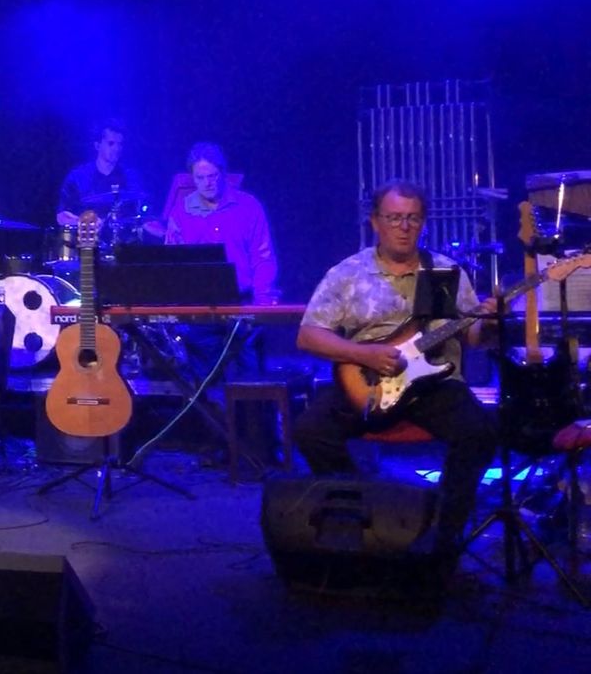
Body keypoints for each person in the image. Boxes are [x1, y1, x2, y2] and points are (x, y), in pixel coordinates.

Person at [294, 180, 498, 560]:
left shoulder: (442, 271)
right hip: (368, 379)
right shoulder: (348, 274)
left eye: (413, 218)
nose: (404, 227)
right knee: (309, 430)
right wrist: (363, 354)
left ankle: (442, 535)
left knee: (480, 432)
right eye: (394, 218)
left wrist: (488, 323)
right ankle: (363, 509)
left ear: (423, 222)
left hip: (435, 382)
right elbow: (307, 336)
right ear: (375, 222)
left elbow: (474, 338)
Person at [164, 142, 280, 304]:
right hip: (196, 304)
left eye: (212, 176)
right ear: (193, 178)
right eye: (200, 178)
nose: (207, 183)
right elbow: (173, 263)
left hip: (243, 301)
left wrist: (262, 299)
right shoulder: (180, 212)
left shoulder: (249, 206)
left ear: (223, 173)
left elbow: (262, 258)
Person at [57, 118, 151, 228]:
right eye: (111, 143)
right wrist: (85, 221)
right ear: (97, 145)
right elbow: (61, 217)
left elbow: (143, 215)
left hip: (122, 237)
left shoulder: (130, 177)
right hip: (87, 237)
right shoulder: (78, 177)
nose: (117, 149)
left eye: (120, 144)